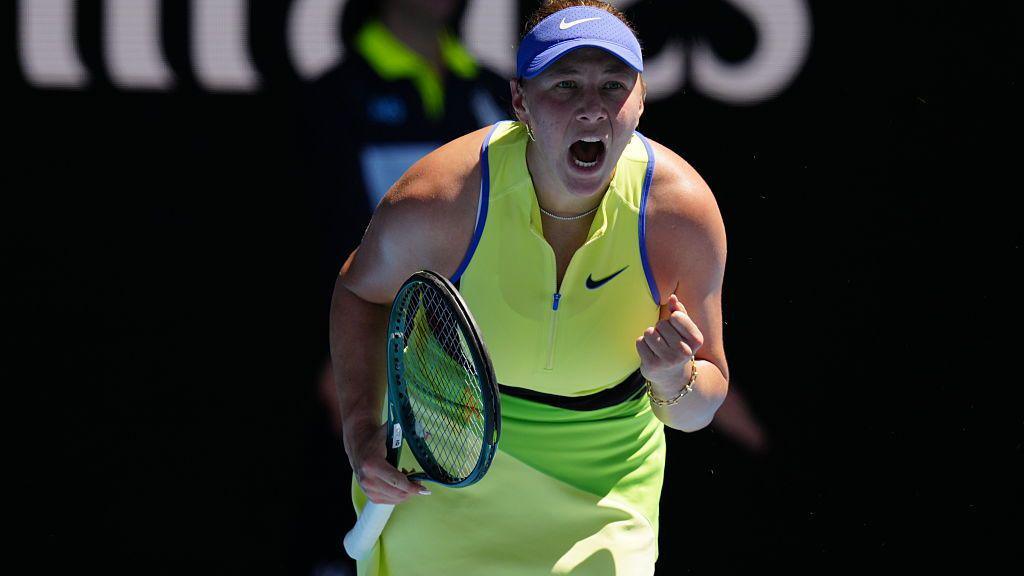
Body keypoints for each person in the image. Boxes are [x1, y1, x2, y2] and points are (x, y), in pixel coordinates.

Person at [330, 1, 729, 574]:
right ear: (520, 101)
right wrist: (362, 433)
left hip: (604, 489)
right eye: (565, 85)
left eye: (613, 85)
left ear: (641, 99)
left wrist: (674, 381)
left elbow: (698, 410)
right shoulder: (442, 197)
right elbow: (360, 293)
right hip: (443, 464)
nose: (592, 107)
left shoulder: (680, 215)